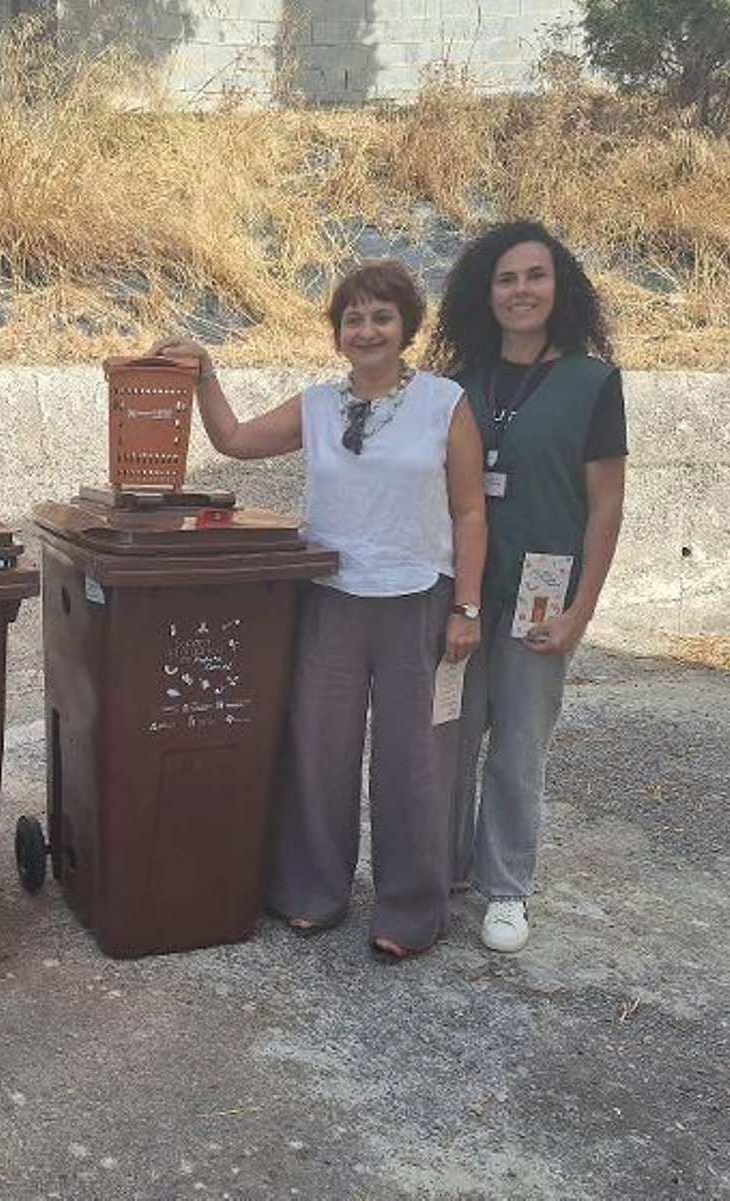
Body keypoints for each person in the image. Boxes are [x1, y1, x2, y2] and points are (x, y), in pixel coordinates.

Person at [154, 260, 486, 959]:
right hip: (331, 594)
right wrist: (206, 372)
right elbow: (235, 441)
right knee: (318, 750)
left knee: (412, 759)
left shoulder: (444, 402)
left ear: (406, 327)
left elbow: (470, 509)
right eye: (353, 318)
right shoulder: (318, 404)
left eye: (381, 316)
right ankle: (313, 890)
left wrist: (467, 606)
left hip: (416, 596)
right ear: (337, 333)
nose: (366, 330)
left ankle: (409, 907)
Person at [427, 220, 627, 954]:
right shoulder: (455, 386)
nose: (521, 291)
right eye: (506, 278)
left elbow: (605, 504)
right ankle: (441, 868)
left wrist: (580, 611)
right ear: (486, 294)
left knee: (518, 741)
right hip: (460, 585)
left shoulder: (593, 382)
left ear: (559, 288)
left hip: (543, 585)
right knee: (447, 732)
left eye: (535, 276)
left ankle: (506, 887)